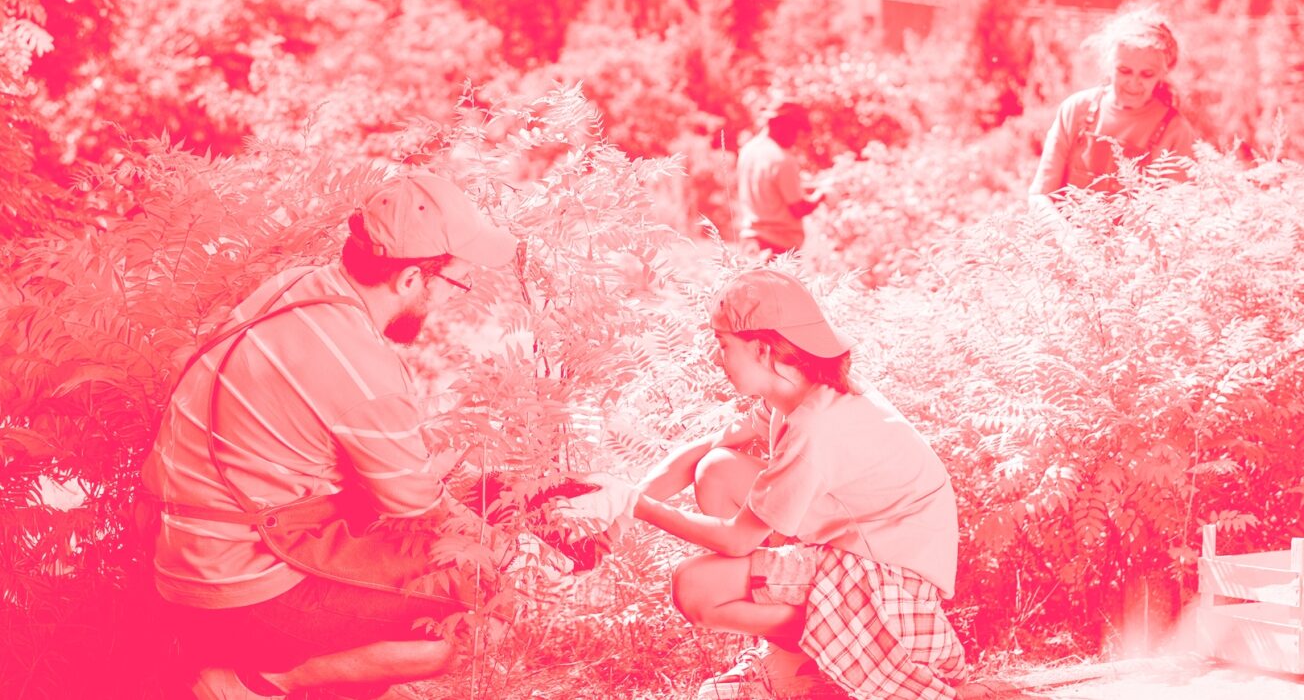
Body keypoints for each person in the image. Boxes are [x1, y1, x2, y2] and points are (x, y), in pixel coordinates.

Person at [141, 170, 522, 700]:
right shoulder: (364, 371)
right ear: (411, 279)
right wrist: (495, 544)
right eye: (454, 284)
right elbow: (419, 513)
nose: (451, 302)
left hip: (180, 556)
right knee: (462, 616)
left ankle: (321, 672)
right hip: (239, 589)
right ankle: (254, 685)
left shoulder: (297, 285)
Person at [565, 269, 967, 699]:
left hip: (890, 590)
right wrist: (619, 516)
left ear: (761, 349)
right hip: (856, 554)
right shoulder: (801, 393)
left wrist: (636, 505)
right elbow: (705, 451)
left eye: (723, 347)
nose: (715, 359)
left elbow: (739, 540)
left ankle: (834, 644)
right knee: (716, 468)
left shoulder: (817, 427)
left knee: (695, 587)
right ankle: (794, 651)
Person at [1030, 7, 1196, 213]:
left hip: (1133, 245)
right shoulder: (1076, 110)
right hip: (1065, 240)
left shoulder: (1175, 131)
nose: (1133, 83)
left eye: (1147, 74)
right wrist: (1067, 240)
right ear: (1109, 64)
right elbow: (1040, 197)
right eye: (1124, 71)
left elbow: (1174, 219)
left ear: (1164, 73)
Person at [736, 102, 822, 255]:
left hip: (750, 243)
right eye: (795, 131)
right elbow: (798, 209)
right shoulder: (782, 159)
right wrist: (822, 195)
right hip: (777, 247)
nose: (795, 138)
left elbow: (770, 189)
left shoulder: (748, 150)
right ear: (784, 126)